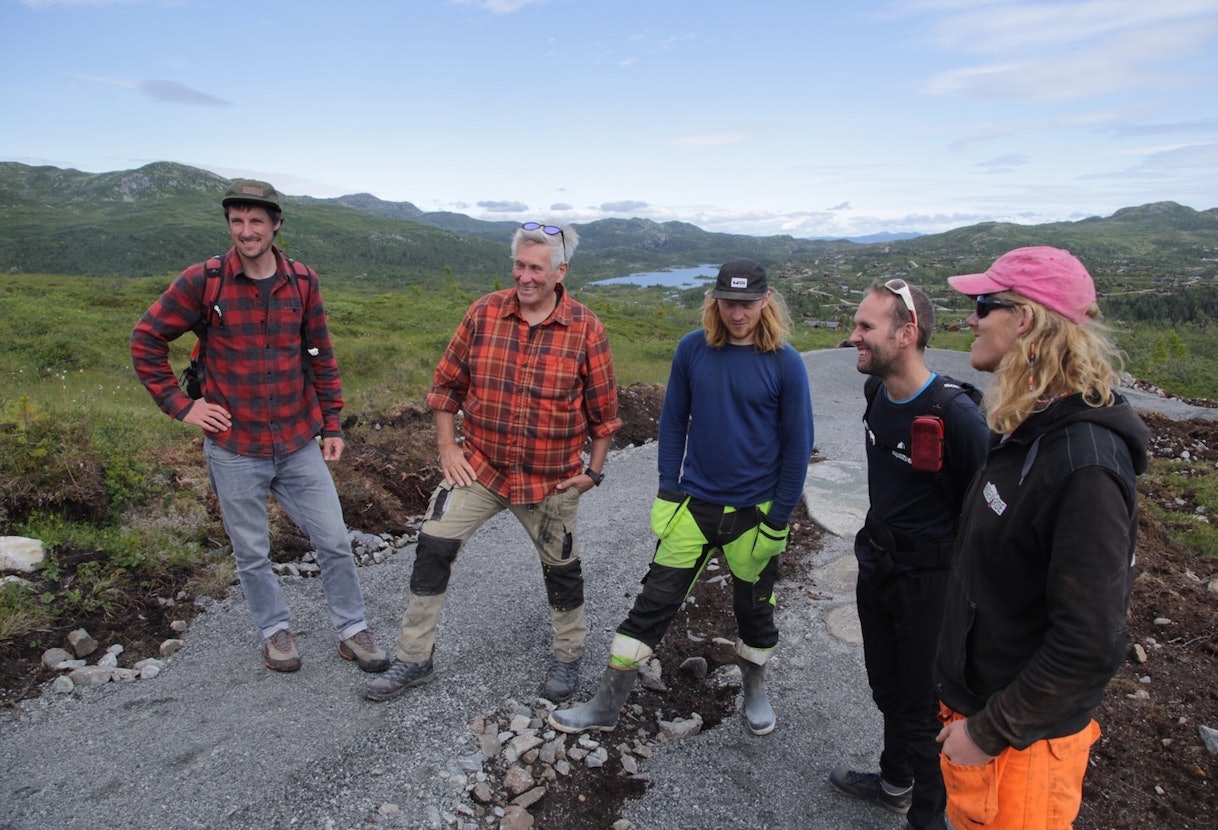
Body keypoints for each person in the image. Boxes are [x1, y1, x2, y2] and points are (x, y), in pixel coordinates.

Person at [934, 246, 1150, 830]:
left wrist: (987, 732)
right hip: (985, 728)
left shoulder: (1084, 466)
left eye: (984, 305)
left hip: (1018, 755)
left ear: (1024, 320)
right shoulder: (1028, 428)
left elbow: (1089, 643)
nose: (971, 320)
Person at [131, 179, 388, 674]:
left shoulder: (303, 282)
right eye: (237, 221)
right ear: (230, 225)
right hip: (233, 446)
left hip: (297, 440)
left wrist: (331, 423)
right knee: (251, 550)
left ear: (275, 225)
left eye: (256, 221)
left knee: (334, 539)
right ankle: (276, 632)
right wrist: (182, 406)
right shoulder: (203, 281)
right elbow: (146, 339)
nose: (246, 232)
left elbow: (320, 356)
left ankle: (352, 629)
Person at [549, 259, 814, 738]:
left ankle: (754, 689)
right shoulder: (693, 350)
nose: (738, 313)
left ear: (766, 301)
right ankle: (607, 703)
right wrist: (668, 490)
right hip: (694, 507)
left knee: (755, 607)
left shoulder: (786, 362)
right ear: (715, 302)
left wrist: (778, 520)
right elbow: (672, 424)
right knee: (653, 602)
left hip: (754, 517)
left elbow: (798, 448)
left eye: (748, 303)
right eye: (729, 303)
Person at [364, 222, 620, 703]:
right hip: (480, 469)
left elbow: (604, 415)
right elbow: (445, 388)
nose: (525, 277)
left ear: (561, 271)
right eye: (519, 265)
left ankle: (568, 658)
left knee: (562, 569)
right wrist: (447, 447)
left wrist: (593, 473)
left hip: (550, 480)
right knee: (433, 546)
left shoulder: (586, 328)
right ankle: (413, 658)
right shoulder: (483, 313)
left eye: (536, 269)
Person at [828, 280, 989, 830]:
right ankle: (895, 780)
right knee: (887, 690)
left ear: (907, 332)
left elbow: (987, 516)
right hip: (880, 568)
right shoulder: (877, 393)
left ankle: (927, 829)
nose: (853, 337)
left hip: (932, 585)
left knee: (922, 707)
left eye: (866, 327)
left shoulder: (958, 416)